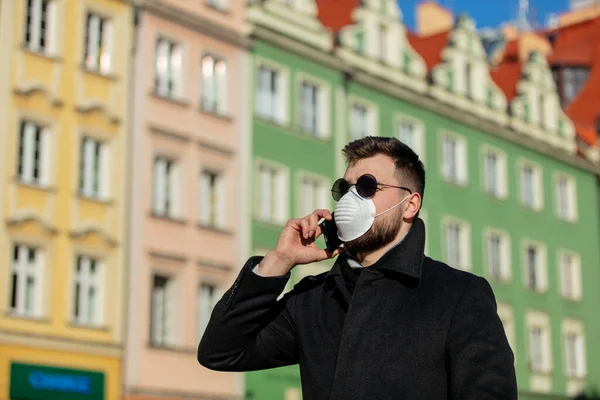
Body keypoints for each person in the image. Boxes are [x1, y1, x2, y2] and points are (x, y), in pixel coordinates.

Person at [198, 136, 518, 400]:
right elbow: (221, 352)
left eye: (367, 186)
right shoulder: (314, 299)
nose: (352, 199)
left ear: (410, 204)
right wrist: (278, 261)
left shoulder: (457, 294)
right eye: (345, 188)